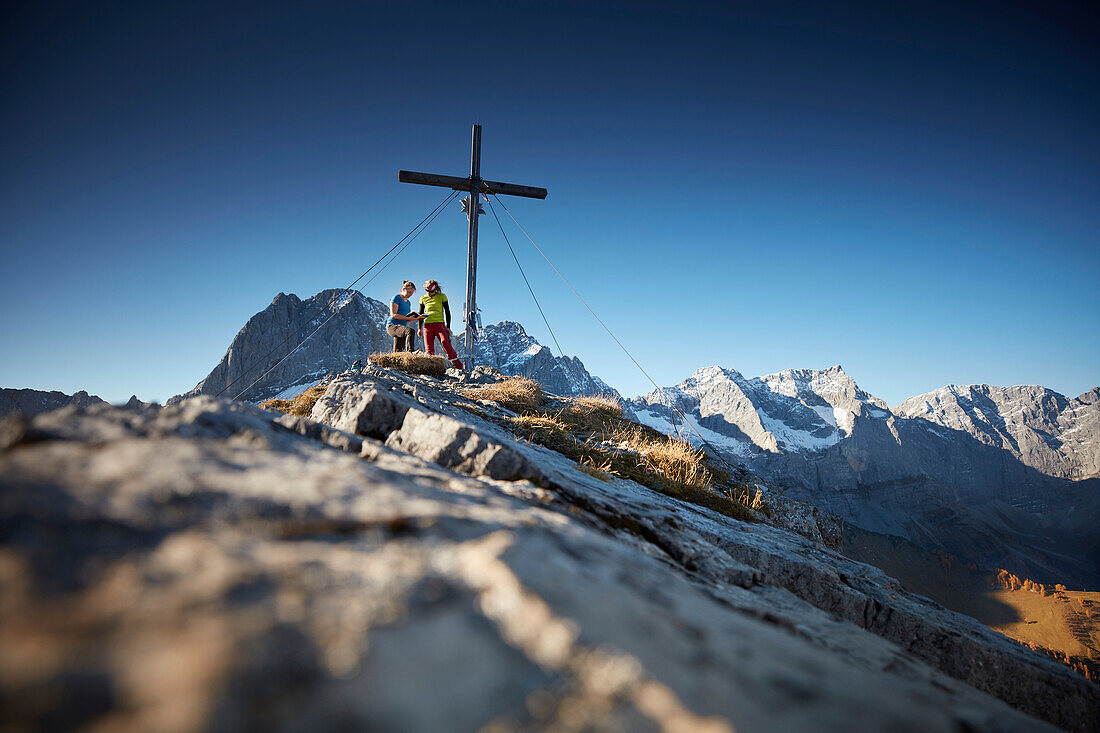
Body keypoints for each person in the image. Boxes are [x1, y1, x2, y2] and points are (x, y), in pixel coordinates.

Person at [419, 279, 464, 369]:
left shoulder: (442, 296)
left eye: (430, 291)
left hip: (440, 324)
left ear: (435, 290)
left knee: (445, 342)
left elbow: (447, 312)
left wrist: (448, 327)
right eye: (427, 291)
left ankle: (458, 365)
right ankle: (431, 368)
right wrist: (419, 328)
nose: (429, 293)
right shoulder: (423, 298)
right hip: (427, 325)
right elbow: (420, 313)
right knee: (429, 348)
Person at [387, 280, 422, 352]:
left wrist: (416, 318)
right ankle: (411, 351)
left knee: (398, 351)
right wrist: (408, 318)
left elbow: (406, 319)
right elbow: (394, 315)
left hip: (401, 327)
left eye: (411, 293)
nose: (410, 295)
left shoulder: (408, 303)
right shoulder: (396, 298)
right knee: (410, 331)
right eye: (409, 292)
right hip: (392, 326)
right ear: (403, 289)